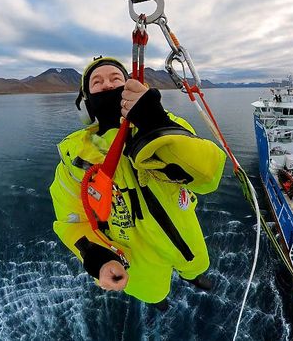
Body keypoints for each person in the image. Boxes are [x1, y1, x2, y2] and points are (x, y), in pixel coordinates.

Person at [49, 56, 226, 310]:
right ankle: (159, 298)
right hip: (132, 252)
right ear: (86, 104)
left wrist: (154, 122)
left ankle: (193, 275)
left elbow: (208, 176)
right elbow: (72, 220)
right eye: (97, 82)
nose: (108, 85)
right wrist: (96, 257)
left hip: (183, 233)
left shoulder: (165, 124)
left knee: (195, 262)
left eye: (115, 78)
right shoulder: (75, 159)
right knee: (152, 292)